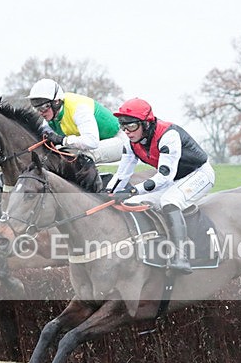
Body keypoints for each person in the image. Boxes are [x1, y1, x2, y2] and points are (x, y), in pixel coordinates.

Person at [107, 98, 215, 274]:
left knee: (169, 201)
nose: (127, 131)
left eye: (131, 126)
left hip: (199, 174)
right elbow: (121, 175)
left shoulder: (168, 136)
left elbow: (164, 176)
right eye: (123, 126)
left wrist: (133, 189)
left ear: (146, 123)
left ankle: (180, 256)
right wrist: (108, 194)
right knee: (133, 202)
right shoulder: (130, 143)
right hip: (175, 180)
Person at [27, 78, 128, 164]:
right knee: (58, 154)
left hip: (120, 140)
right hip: (98, 142)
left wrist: (62, 140)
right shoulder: (51, 117)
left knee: (84, 157)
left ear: (56, 102)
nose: (41, 113)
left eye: (43, 107)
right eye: (37, 109)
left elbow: (91, 142)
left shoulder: (78, 108)